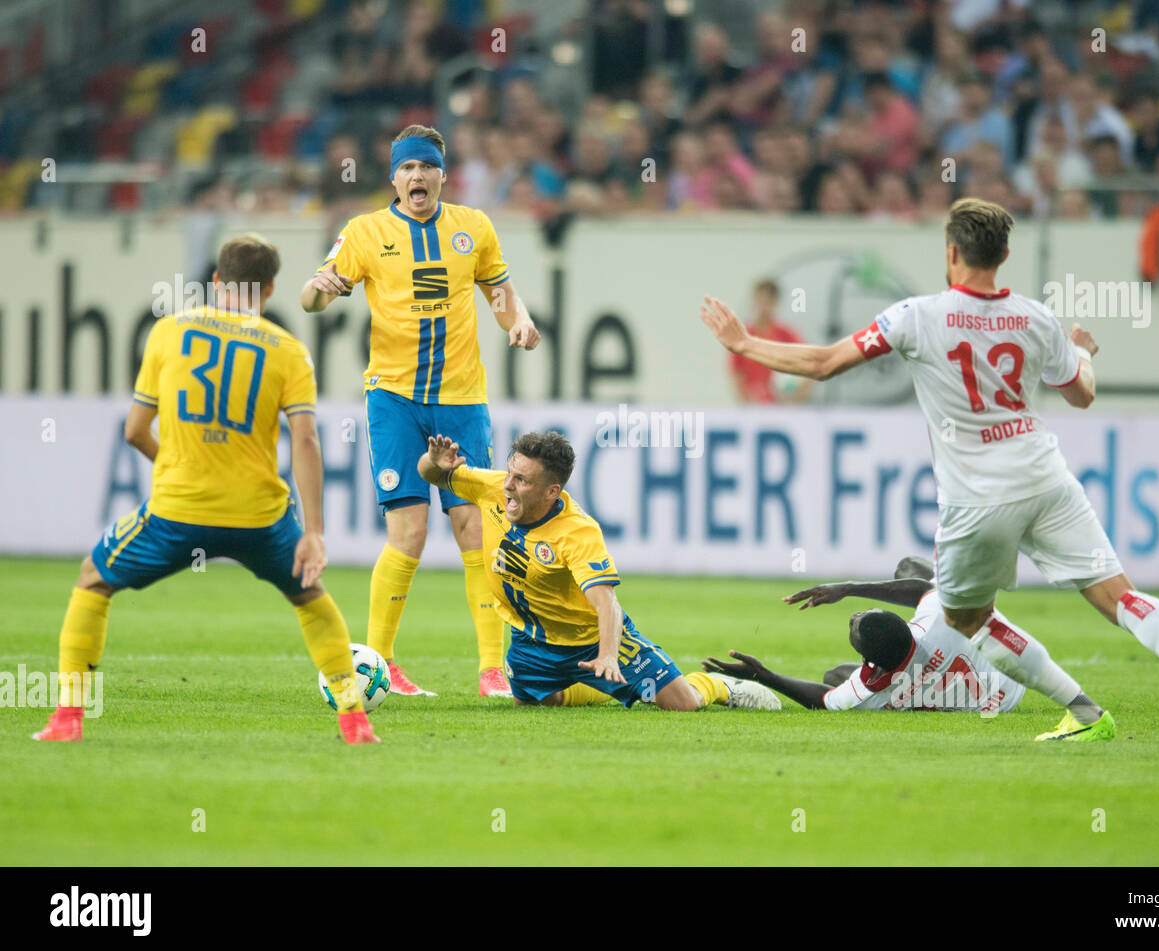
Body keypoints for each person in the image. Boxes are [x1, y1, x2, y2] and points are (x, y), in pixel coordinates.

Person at [700, 198, 1159, 747]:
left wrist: (743, 342)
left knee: (970, 620)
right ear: (1004, 255)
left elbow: (823, 365)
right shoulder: (1036, 318)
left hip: (977, 498)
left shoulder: (916, 317)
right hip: (1047, 478)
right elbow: (1081, 394)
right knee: (1119, 597)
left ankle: (1086, 713)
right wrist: (1085, 351)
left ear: (952, 252)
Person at [34, 235, 378, 745]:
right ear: (269, 290)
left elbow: (133, 430)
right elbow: (305, 439)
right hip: (259, 516)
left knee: (93, 581)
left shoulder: (168, 333)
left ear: (216, 282)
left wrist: (174, 464)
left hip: (179, 511)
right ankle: (355, 721)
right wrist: (315, 533)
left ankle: (67, 720)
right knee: (310, 597)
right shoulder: (288, 350)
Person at [301, 124, 541, 699]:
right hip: (394, 400)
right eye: (406, 169)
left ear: (442, 175)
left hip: (461, 401)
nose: (417, 177)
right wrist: (319, 286)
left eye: (426, 168)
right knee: (408, 531)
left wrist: (521, 323)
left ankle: (491, 670)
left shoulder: (473, 228)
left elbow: (501, 294)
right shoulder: (364, 232)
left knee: (476, 529)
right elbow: (311, 299)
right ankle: (380, 662)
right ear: (393, 178)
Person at [416, 431, 781, 712]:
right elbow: (431, 475)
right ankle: (598, 688)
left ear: (551, 491)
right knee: (541, 707)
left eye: (522, 481)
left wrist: (607, 655)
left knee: (680, 704)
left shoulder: (578, 532)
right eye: (511, 473)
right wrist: (433, 461)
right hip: (531, 640)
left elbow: (606, 602)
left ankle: (718, 686)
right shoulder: (494, 487)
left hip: (591, 638)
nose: (509, 486)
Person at [706, 555, 1033, 713]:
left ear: (868, 662)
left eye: (854, 625)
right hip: (1009, 687)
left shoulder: (872, 695)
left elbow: (822, 700)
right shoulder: (939, 622)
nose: (853, 615)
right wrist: (849, 589)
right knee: (913, 568)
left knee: (834, 674)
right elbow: (923, 588)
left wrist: (762, 675)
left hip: (974, 696)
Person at [729, 278, 812, 404]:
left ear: (775, 303)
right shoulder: (742, 337)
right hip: (754, 406)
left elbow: (810, 367)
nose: (763, 307)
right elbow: (736, 374)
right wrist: (746, 402)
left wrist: (795, 398)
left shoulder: (787, 335)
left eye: (768, 302)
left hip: (781, 406)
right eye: (760, 301)